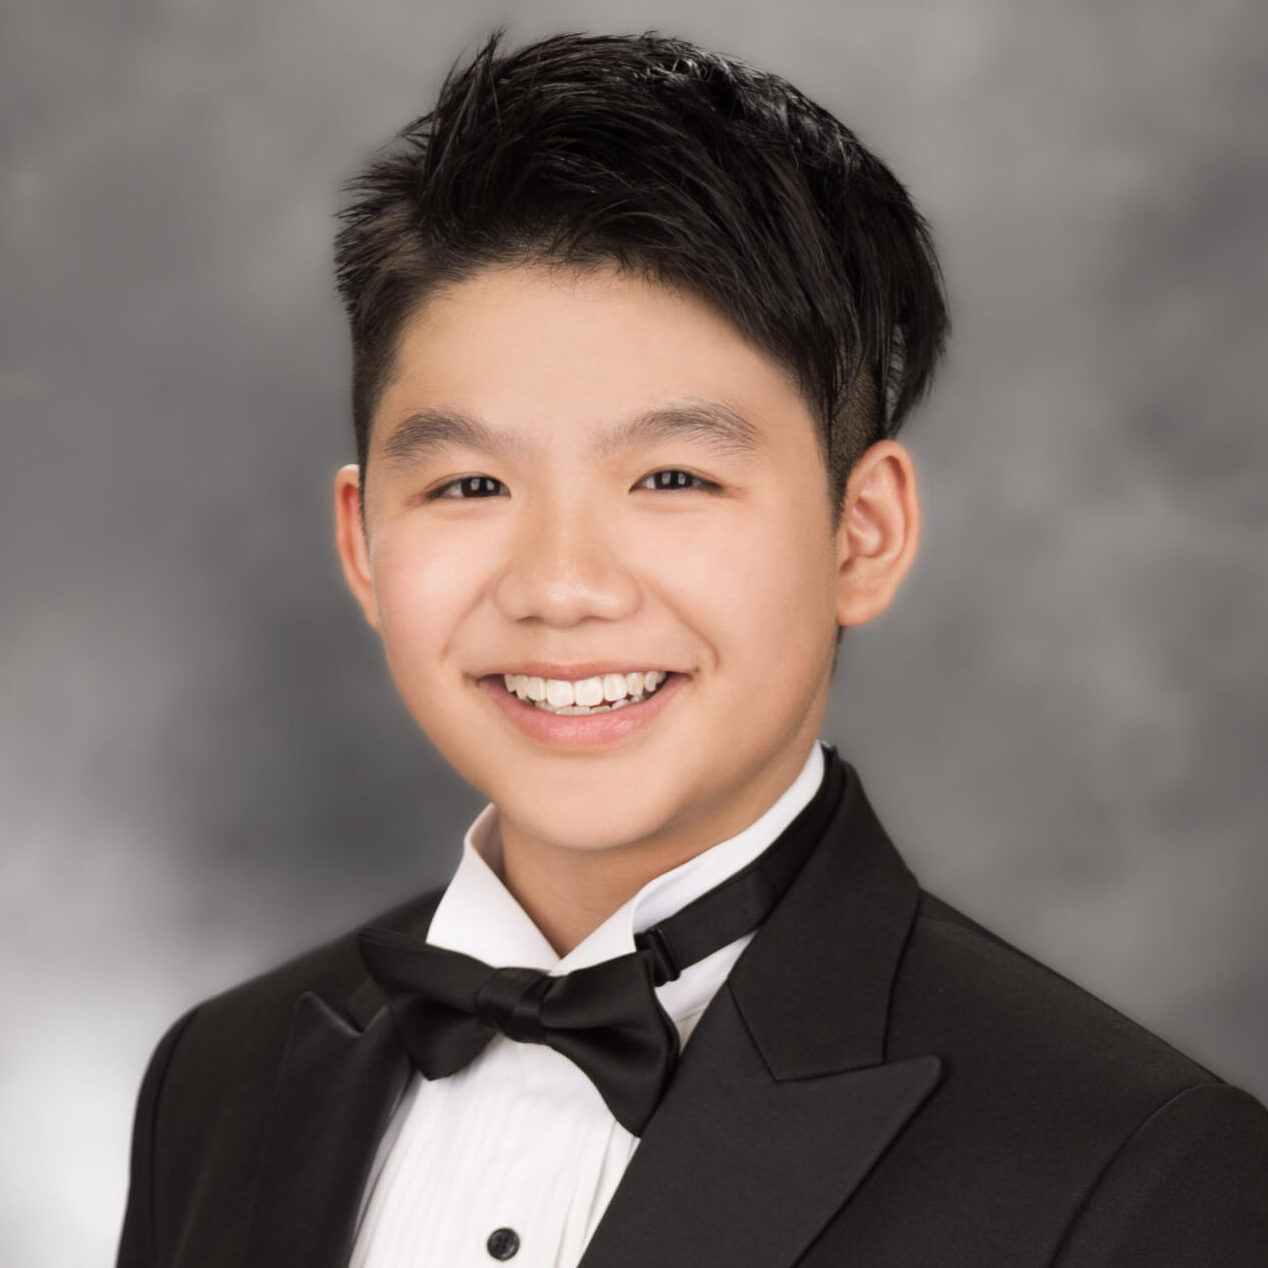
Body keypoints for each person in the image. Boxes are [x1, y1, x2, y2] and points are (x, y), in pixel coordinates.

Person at [115, 28, 1268, 1268]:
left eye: (671, 476)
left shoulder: (1142, 1170)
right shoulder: (220, 1076)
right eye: (468, 484)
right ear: (363, 544)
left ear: (860, 533)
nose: (560, 587)